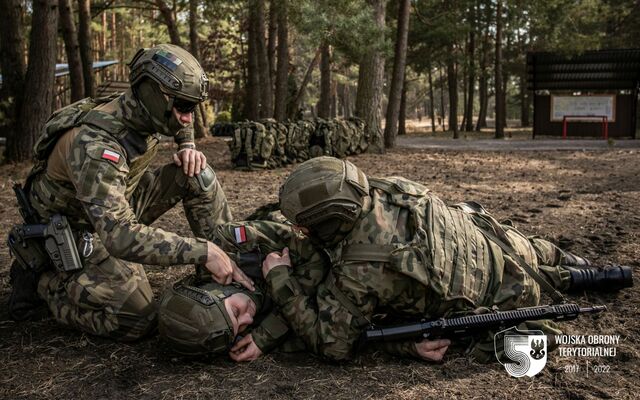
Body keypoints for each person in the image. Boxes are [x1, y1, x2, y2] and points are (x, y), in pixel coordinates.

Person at [251, 156, 633, 362]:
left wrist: (280, 278)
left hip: (506, 305)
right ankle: (591, 273)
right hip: (504, 245)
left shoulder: (360, 269)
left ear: (329, 223)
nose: (299, 233)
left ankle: (586, 302)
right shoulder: (389, 188)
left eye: (304, 227)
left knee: (520, 332)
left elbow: (333, 343)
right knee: (541, 256)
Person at [8, 44, 253, 341]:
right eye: (184, 107)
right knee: (138, 317)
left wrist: (187, 146)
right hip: (74, 232)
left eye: (193, 106)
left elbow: (181, 125)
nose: (189, 118)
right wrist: (202, 251)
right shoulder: (97, 146)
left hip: (113, 205)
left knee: (197, 173)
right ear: (153, 94)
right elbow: (119, 236)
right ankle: (44, 283)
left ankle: (225, 278)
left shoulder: (141, 108)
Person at [157, 218, 327, 359]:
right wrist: (265, 336)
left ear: (219, 291)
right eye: (241, 328)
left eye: (237, 312)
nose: (249, 320)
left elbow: (318, 259)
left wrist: (279, 279)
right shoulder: (226, 330)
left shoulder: (229, 244)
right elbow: (315, 333)